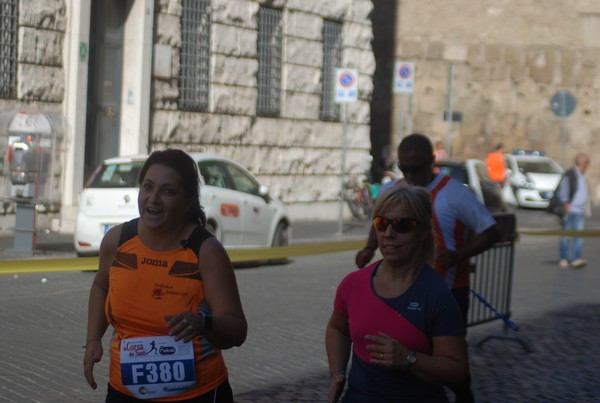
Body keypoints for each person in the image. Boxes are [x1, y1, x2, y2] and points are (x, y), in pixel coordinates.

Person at [83, 149, 248, 402]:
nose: (153, 199)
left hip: (197, 394)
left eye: (168, 191)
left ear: (188, 201)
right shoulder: (117, 241)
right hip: (124, 391)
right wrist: (93, 339)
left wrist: (202, 323)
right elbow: (101, 287)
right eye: (148, 187)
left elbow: (237, 330)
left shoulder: (206, 251)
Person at [355, 133, 499, 403]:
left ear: (433, 161)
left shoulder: (455, 194)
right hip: (402, 290)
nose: (409, 175)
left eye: (416, 168)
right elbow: (379, 220)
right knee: (409, 350)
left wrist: (458, 256)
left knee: (447, 356)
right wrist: (368, 249)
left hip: (448, 291)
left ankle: (461, 394)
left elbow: (491, 231)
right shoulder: (394, 190)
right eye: (403, 168)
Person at [326, 185, 469, 402]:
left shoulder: (436, 294)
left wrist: (409, 359)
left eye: (402, 225)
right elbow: (338, 328)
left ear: (422, 231)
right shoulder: (353, 284)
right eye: (381, 223)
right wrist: (337, 373)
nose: (389, 233)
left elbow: (458, 370)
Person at [557, 153, 591, 269]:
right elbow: (563, 191)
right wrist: (566, 206)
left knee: (578, 236)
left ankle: (576, 258)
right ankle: (564, 258)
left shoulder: (581, 175)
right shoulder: (570, 174)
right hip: (571, 210)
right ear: (583, 163)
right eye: (586, 163)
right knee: (566, 236)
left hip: (580, 211)